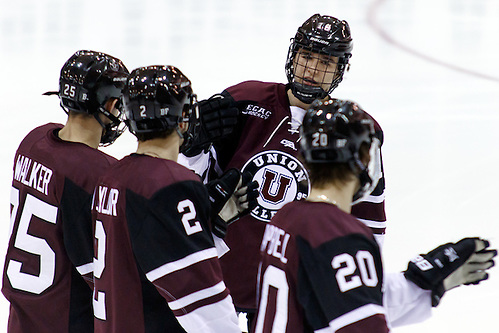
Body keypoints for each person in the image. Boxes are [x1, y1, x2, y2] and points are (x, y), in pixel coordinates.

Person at [179, 13, 497, 330]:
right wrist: (194, 148)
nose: (312, 70)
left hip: (293, 295)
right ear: (293, 55)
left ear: (340, 69)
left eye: (325, 62)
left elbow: (368, 228)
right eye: (306, 56)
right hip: (219, 284)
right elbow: (197, 193)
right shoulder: (244, 101)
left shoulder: (353, 130)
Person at [252, 99, 496, 332]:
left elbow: (336, 303)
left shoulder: (286, 218)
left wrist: (424, 282)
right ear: (363, 158)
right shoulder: (338, 234)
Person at [91, 65, 245, 332]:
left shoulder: (111, 177)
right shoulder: (171, 184)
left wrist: (213, 230)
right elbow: (201, 300)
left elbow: (145, 261)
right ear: (184, 117)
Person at [2, 50, 129, 332]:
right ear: (108, 104)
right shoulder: (99, 173)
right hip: (67, 322)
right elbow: (105, 274)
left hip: (23, 318)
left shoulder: (33, 141)